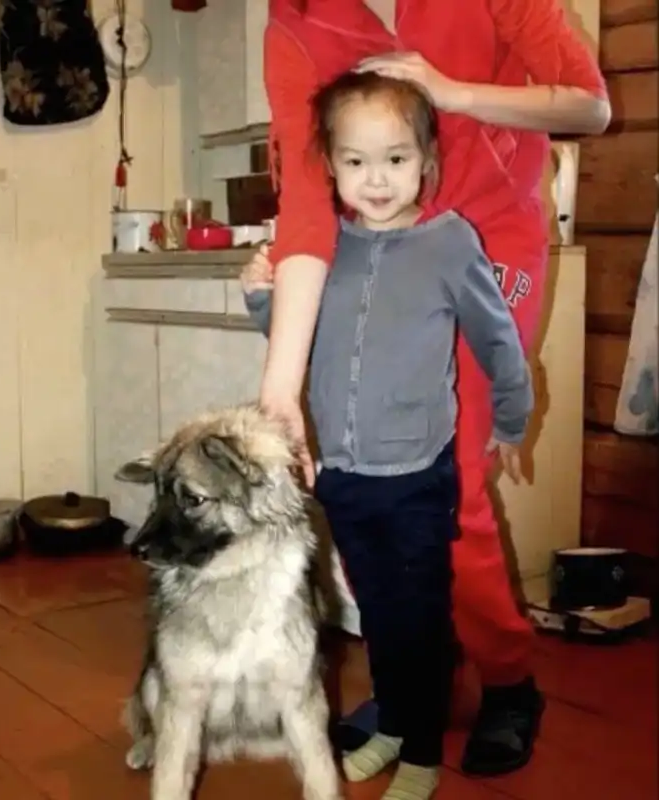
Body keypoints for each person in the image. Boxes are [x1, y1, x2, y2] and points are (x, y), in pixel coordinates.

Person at [253, 0, 610, 777]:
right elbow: (308, 208)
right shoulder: (296, 22)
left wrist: (452, 93)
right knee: (366, 486)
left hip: (485, 236)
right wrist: (281, 389)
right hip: (373, 244)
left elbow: (591, 106)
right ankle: (415, 682)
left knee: (455, 489)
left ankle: (507, 681)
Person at [243, 69, 534, 800]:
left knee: (419, 618)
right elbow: (304, 344)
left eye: (396, 158)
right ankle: (398, 725)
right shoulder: (325, 251)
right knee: (376, 610)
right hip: (343, 476)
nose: (376, 179)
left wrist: (512, 418)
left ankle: (424, 753)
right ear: (330, 165)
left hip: (415, 479)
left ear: (426, 161)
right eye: (356, 161)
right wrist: (261, 300)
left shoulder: (449, 243)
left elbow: (498, 341)